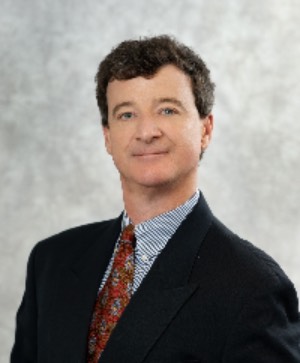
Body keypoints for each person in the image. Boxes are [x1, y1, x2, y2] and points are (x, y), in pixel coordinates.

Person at [11, 35, 300, 362]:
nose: (146, 131)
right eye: (126, 114)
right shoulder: (51, 262)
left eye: (167, 110)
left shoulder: (253, 286)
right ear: (108, 137)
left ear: (206, 129)